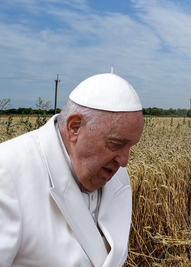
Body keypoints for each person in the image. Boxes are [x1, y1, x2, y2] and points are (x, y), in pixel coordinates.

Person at [0, 72, 144, 267]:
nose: (125, 161)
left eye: (131, 147)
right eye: (116, 144)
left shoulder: (117, 176)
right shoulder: (7, 172)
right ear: (74, 127)